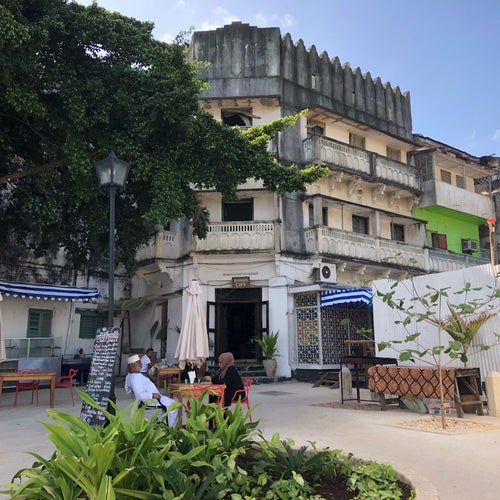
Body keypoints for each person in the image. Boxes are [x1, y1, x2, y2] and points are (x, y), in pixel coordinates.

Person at [125, 354, 178, 427]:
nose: (141, 365)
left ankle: (160, 422)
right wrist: (152, 395)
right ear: (132, 365)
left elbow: (128, 391)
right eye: (139, 363)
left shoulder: (130, 376)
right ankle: (171, 427)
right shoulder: (136, 377)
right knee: (174, 405)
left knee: (170, 404)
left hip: (151, 398)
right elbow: (139, 394)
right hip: (151, 400)